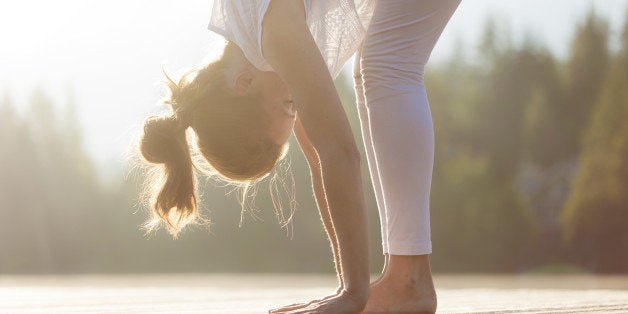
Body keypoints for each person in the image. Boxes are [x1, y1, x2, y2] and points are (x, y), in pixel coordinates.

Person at [138, 0, 460, 313]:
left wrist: (354, 294)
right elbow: (320, 157)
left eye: (289, 106)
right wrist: (346, 287)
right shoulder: (256, 48)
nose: (296, 107)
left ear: (245, 84)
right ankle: (406, 279)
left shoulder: (272, 29)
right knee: (379, 66)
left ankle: (409, 280)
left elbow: (341, 154)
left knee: (388, 65)